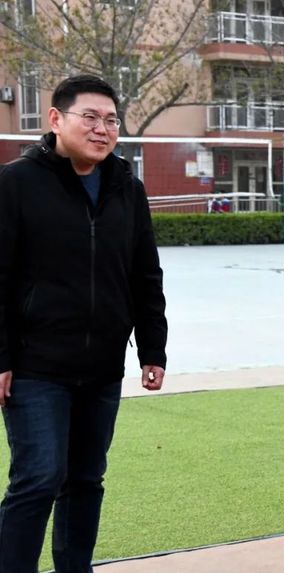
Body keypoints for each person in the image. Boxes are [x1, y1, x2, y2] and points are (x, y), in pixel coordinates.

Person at [0, 75, 168, 572]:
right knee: (38, 478)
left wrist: (153, 348)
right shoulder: (15, 183)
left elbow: (145, 273)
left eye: (111, 120)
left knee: (86, 480)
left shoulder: (127, 187)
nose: (102, 129)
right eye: (89, 117)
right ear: (56, 119)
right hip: (35, 365)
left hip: (102, 366)